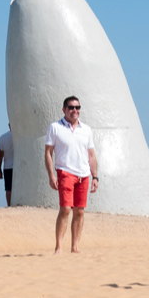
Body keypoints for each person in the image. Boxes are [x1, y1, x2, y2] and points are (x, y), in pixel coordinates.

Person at [45, 96, 98, 255]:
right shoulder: (55, 127)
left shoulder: (86, 129)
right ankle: (59, 247)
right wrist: (51, 175)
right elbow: (48, 153)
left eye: (77, 107)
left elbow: (92, 155)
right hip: (65, 171)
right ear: (64, 110)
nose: (75, 110)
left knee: (80, 211)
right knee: (66, 209)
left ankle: (75, 247)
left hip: (84, 174)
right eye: (71, 107)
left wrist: (95, 176)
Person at [0, 125, 14, 206]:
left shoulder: (3, 138)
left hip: (7, 166)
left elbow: (0, 155)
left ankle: (9, 205)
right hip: (20, 166)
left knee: (8, 188)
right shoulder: (21, 136)